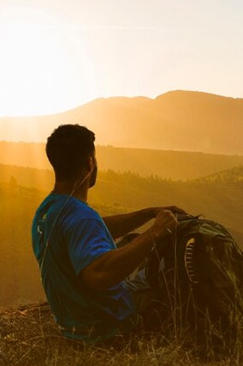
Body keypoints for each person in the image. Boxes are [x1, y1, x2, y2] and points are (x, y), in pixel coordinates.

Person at [31, 124, 185, 344]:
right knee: (172, 273)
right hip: (108, 324)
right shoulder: (81, 216)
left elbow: (91, 231)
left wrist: (148, 214)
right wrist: (156, 233)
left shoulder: (47, 211)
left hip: (74, 324)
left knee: (131, 241)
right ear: (89, 164)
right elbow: (98, 275)